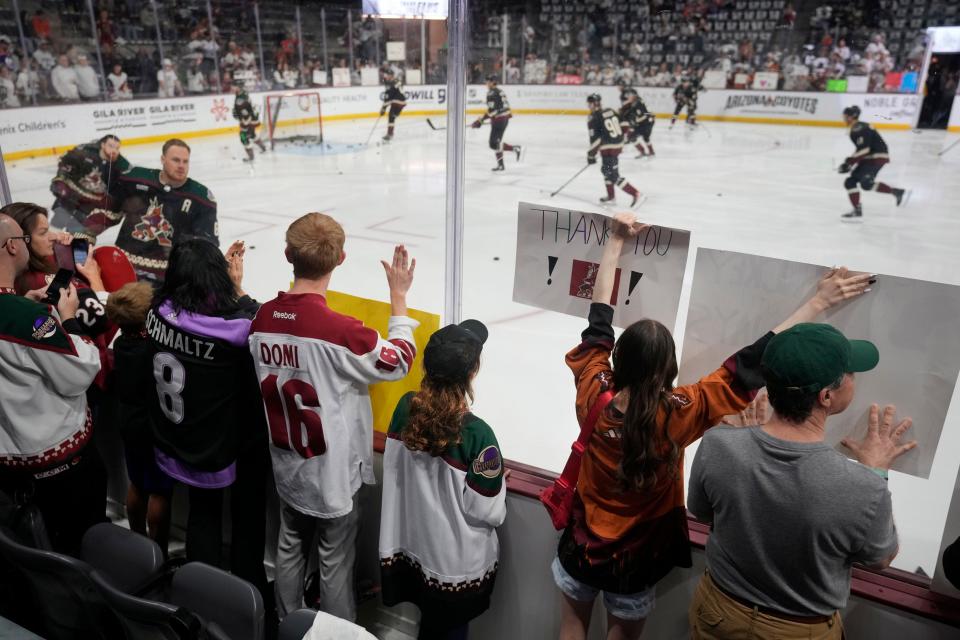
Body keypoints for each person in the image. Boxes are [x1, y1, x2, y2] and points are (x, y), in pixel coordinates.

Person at [553, 212, 875, 640]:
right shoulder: (684, 410)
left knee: (572, 625)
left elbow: (598, 320)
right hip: (634, 557)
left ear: (617, 360)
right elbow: (752, 361)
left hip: (580, 544)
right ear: (670, 370)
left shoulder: (594, 389)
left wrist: (615, 242)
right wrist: (818, 303)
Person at [688, 320, 917, 639]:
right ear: (826, 396)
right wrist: (875, 471)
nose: (853, 380)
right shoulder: (863, 485)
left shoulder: (718, 445)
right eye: (849, 374)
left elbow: (701, 511)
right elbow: (881, 558)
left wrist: (743, 451)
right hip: (797, 631)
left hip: (717, 611)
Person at [248, 213, 417, 621]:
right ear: (341, 259)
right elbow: (400, 361)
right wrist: (398, 299)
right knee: (335, 561)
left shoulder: (261, 320)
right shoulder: (340, 332)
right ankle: (335, 634)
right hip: (333, 475)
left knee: (289, 546)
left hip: (288, 467)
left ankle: (288, 622)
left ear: (288, 254)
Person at [146, 238, 269, 598]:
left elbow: (189, 314)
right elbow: (263, 321)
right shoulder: (234, 330)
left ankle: (200, 596)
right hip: (224, 442)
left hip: (177, 436)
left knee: (204, 517)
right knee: (247, 517)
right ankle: (249, 594)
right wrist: (239, 290)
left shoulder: (158, 312)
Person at [379, 319, 506, 640]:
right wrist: (498, 483)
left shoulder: (406, 407)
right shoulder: (478, 434)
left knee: (432, 626)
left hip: (415, 550)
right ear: (472, 371)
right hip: (455, 566)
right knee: (450, 630)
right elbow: (488, 511)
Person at [0, 212, 104, 556]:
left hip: (10, 469)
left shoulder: (19, 310)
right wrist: (69, 319)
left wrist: (24, 304)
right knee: (77, 558)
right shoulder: (25, 318)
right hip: (59, 472)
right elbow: (78, 372)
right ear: (11, 248)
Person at [81, 138, 218, 283]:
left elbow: (207, 245)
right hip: (124, 267)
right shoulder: (135, 179)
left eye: (185, 161)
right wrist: (83, 239)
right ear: (163, 159)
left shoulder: (201, 198)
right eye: (176, 160)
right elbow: (106, 214)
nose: (181, 166)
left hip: (169, 277)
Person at [105, 281, 174, 555]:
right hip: (154, 426)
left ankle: (137, 541)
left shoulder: (121, 344)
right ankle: (158, 550)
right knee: (159, 492)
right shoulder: (154, 349)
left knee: (137, 483)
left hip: (129, 422)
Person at [838, 105, 908, 222]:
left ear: (851, 117)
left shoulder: (858, 128)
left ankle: (858, 210)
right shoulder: (860, 126)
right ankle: (896, 192)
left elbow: (864, 149)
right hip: (871, 157)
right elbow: (863, 149)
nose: (844, 119)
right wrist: (850, 162)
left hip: (875, 158)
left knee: (860, 182)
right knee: (856, 183)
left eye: (845, 116)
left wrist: (849, 162)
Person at [50, 134, 131, 234]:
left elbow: (125, 188)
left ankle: (71, 242)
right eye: (111, 146)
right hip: (73, 194)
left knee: (77, 230)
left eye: (117, 148)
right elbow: (65, 163)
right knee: (59, 218)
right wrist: (61, 181)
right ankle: (50, 241)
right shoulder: (85, 152)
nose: (114, 150)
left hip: (92, 203)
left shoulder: (121, 165)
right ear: (102, 145)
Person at [585, 94, 642, 207]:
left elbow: (596, 141)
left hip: (608, 148)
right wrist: (620, 137)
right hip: (617, 145)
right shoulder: (610, 111)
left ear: (592, 104)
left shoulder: (593, 117)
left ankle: (635, 193)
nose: (588, 106)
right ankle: (611, 197)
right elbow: (624, 123)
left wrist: (591, 155)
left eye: (588, 104)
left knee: (612, 174)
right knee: (606, 170)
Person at [471, 74, 523, 172]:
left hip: (499, 120)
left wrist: (480, 121)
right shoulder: (499, 91)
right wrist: (481, 120)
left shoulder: (491, 93)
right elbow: (498, 109)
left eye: (487, 81)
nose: (486, 84)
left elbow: (492, 111)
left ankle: (515, 149)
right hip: (504, 119)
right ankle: (501, 165)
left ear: (492, 82)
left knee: (493, 143)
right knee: (496, 142)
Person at [619, 87, 656, 158]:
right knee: (645, 138)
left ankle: (643, 152)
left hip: (646, 123)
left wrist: (635, 122)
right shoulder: (636, 101)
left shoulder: (637, 103)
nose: (628, 97)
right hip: (648, 121)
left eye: (629, 95)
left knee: (631, 136)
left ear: (634, 95)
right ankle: (650, 152)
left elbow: (644, 115)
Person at [232, 87, 267, 162]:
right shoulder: (243, 94)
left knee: (243, 137)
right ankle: (263, 148)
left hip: (248, 122)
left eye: (233, 87)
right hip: (252, 121)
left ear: (238, 88)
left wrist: (245, 122)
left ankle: (251, 157)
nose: (232, 88)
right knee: (252, 135)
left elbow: (246, 113)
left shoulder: (240, 100)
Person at [380, 72, 406, 142]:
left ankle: (390, 134)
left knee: (391, 117)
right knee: (392, 116)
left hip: (396, 102)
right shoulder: (397, 81)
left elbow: (389, 97)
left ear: (391, 76)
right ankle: (390, 132)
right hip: (402, 103)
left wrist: (383, 108)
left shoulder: (391, 84)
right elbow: (391, 94)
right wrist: (384, 108)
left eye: (387, 75)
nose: (386, 77)